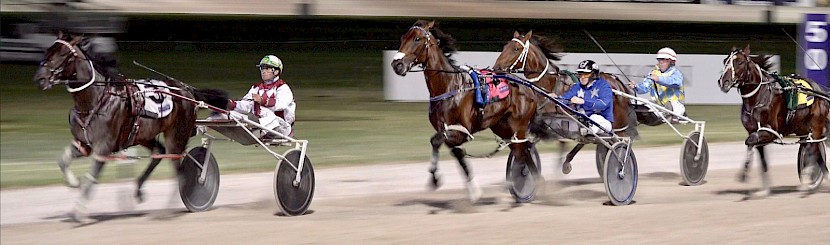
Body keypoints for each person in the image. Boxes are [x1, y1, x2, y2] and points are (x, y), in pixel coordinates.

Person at [220, 55, 296, 138]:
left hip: (282, 127)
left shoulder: (283, 88)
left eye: (267, 68)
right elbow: (246, 105)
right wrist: (231, 104)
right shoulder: (256, 88)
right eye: (262, 68)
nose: (263, 71)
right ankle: (208, 124)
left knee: (265, 113)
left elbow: (280, 105)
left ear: (276, 71)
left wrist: (262, 101)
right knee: (233, 113)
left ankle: (255, 130)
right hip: (260, 125)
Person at [629, 47, 686, 123]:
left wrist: (658, 79)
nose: (660, 62)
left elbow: (676, 83)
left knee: (672, 105)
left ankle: (674, 115)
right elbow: (644, 88)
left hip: (676, 106)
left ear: (671, 62)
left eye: (664, 60)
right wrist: (636, 87)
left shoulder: (676, 73)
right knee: (634, 101)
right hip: (658, 106)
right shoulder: (653, 73)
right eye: (659, 60)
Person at [561, 60, 614, 135]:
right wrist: (554, 98)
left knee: (594, 117)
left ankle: (587, 130)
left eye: (586, 74)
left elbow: (603, 105)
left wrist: (583, 102)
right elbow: (564, 99)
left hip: (603, 123)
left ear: (593, 74)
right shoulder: (577, 86)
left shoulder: (604, 86)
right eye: (580, 74)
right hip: (582, 122)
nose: (582, 77)